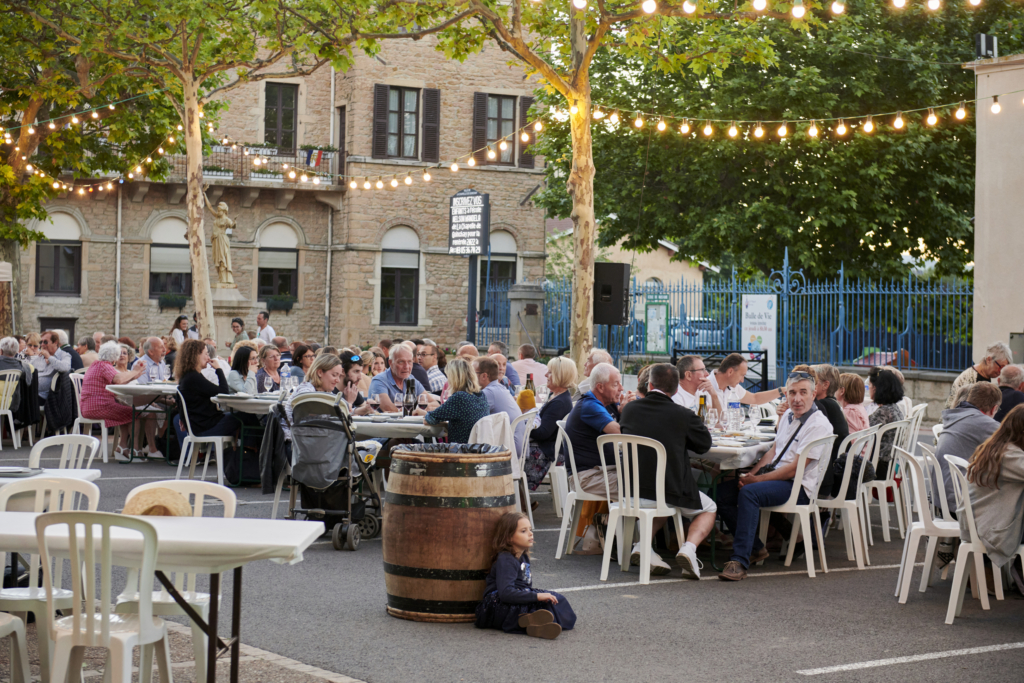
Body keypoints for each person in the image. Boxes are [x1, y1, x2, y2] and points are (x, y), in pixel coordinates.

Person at [717, 371, 835, 581]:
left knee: (750, 493)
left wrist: (756, 481)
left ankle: (739, 561)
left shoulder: (818, 424)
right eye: (792, 393)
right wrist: (749, 475)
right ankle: (755, 548)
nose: (797, 398)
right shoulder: (790, 416)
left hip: (798, 486)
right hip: (779, 479)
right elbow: (774, 451)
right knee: (723, 492)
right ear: (787, 394)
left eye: (803, 392)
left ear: (814, 393)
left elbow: (794, 470)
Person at [619, 363, 715, 578]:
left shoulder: (629, 409)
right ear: (676, 390)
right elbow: (704, 445)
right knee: (709, 507)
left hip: (631, 490)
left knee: (659, 498)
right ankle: (689, 548)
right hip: (667, 491)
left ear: (650, 384)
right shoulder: (682, 414)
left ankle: (642, 546)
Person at [476, 512, 576, 639]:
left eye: (530, 529)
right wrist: (536, 596)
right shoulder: (506, 559)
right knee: (523, 607)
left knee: (556, 599)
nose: (530, 534)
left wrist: (539, 597)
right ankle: (528, 622)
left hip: (515, 595)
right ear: (508, 537)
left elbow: (524, 585)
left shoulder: (522, 556)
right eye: (523, 531)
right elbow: (506, 593)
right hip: (497, 603)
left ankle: (535, 623)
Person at [962, 404, 1024, 575]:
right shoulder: (1009, 455)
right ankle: (1019, 571)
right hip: (989, 527)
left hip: (979, 518)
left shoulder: (997, 446)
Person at [564, 362, 636, 496]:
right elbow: (621, 433)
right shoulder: (589, 405)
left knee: (647, 477)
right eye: (615, 384)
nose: (621, 388)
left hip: (607, 471)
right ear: (600, 387)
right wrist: (626, 412)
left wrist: (629, 407)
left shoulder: (608, 403)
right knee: (646, 483)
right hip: (589, 477)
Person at [933, 382, 1002, 517]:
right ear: (994, 409)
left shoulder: (957, 415)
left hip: (942, 500)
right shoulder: (983, 422)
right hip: (960, 505)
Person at [172, 339, 241, 455]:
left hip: (200, 426)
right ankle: (249, 458)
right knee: (244, 418)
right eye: (206, 354)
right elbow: (223, 392)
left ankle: (243, 458)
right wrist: (218, 369)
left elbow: (179, 399)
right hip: (205, 428)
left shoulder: (188, 376)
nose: (208, 357)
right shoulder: (194, 377)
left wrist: (184, 418)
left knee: (243, 421)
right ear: (196, 356)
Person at [80, 341, 146, 460]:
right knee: (134, 414)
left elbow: (115, 384)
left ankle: (123, 447)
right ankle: (135, 449)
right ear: (114, 356)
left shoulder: (96, 364)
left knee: (126, 412)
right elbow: (118, 380)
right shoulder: (105, 366)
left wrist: (133, 376)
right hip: (99, 406)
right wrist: (134, 371)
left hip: (89, 406)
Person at [523, 357, 578, 491]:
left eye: (550, 372)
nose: (546, 375)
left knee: (513, 456)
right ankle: (522, 501)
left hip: (547, 451)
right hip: (549, 447)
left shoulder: (559, 402)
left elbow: (543, 433)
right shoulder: (557, 396)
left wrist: (524, 426)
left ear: (560, 375)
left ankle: (521, 500)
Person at [420, 358, 490, 443]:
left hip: (460, 450)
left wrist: (423, 413)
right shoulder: (481, 395)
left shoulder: (460, 397)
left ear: (454, 378)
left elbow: (429, 419)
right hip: (478, 448)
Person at [809, 364, 849, 495]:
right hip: (838, 469)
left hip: (827, 473)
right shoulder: (832, 403)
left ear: (825, 385)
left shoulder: (821, 406)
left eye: (812, 379)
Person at [476, 356, 525, 456]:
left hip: (509, 449)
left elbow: (471, 416)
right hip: (517, 447)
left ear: (484, 376)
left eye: (472, 373)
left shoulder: (489, 392)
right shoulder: (499, 387)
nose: (469, 376)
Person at [945, 341, 1013, 409]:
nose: (1001, 372)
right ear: (989, 360)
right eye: (1000, 367)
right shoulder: (969, 379)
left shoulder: (984, 375)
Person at [708, 353, 783, 412]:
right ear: (730, 372)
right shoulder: (704, 387)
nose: (742, 380)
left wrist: (781, 391)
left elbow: (754, 399)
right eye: (742, 375)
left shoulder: (732, 387)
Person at [867, 367, 906, 477]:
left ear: (876, 388)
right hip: (891, 463)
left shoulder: (883, 412)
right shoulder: (894, 408)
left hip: (879, 466)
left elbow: (864, 434)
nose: (868, 388)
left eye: (869, 385)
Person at [368, 344, 426, 411]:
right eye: (401, 362)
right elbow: (389, 409)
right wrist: (418, 411)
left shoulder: (411, 379)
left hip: (409, 421)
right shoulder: (379, 381)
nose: (406, 367)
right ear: (390, 363)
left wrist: (423, 409)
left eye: (409, 361)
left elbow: (433, 403)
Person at [33, 331, 71, 402]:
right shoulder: (40, 356)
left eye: (45, 342)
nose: (42, 344)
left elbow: (65, 368)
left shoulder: (64, 355)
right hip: (33, 392)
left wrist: (49, 357)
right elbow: (30, 368)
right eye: (41, 342)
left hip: (48, 396)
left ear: (55, 342)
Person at [0, 337, 32, 414]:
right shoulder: (22, 365)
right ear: (17, 351)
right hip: (8, 403)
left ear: (1, 351)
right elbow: (32, 369)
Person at [337, 351, 374, 415]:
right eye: (356, 371)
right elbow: (339, 418)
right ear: (342, 371)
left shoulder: (351, 389)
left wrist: (368, 407)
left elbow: (362, 407)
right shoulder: (331, 391)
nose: (360, 377)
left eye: (360, 371)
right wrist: (349, 402)